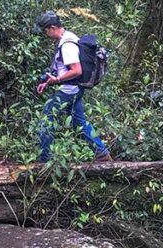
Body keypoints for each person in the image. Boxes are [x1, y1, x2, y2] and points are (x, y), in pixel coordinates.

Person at [34, 11, 112, 162]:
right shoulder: (70, 37)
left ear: (52, 28)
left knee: (47, 119)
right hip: (75, 89)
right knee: (79, 122)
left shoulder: (67, 45)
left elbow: (76, 70)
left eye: (45, 31)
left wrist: (56, 80)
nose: (45, 34)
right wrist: (48, 81)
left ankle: (43, 160)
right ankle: (101, 153)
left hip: (69, 90)